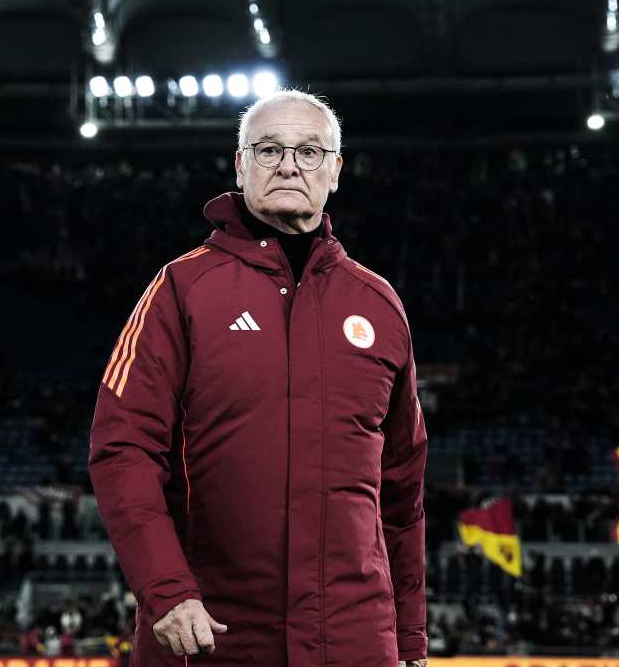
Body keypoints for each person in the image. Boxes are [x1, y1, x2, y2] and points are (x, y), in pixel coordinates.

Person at [89, 89, 428, 667]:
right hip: (211, 635)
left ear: (336, 170)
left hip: (353, 641)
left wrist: (411, 636)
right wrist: (166, 590)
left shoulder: (379, 304)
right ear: (240, 164)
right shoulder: (179, 290)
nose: (289, 165)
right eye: (269, 149)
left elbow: (403, 488)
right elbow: (123, 450)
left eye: (309, 151)